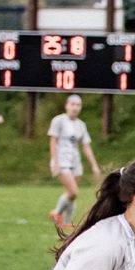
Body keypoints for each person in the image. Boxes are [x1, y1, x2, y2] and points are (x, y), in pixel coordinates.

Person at [50, 95, 104, 235]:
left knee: (72, 194)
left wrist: (94, 165)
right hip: (61, 160)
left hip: (75, 161)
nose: (75, 107)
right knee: (73, 191)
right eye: (73, 104)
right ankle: (57, 212)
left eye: (78, 105)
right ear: (67, 105)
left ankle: (67, 222)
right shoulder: (59, 121)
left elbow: (86, 146)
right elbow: (53, 142)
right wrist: (55, 161)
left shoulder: (81, 125)